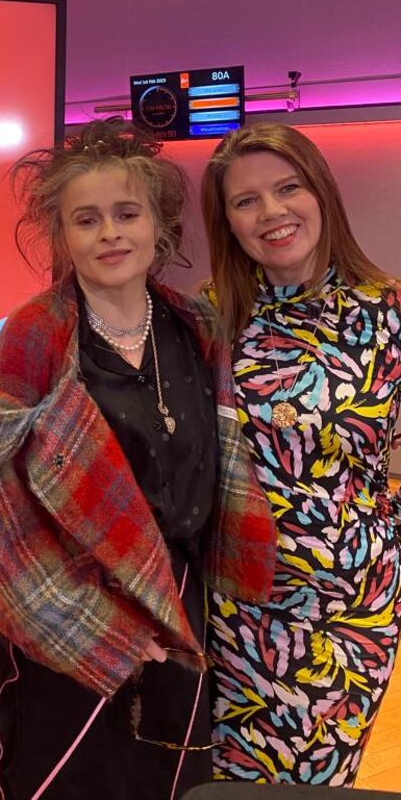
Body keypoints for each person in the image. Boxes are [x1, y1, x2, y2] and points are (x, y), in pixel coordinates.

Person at [0, 120, 276, 800]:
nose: (110, 235)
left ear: (161, 226)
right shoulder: (34, 338)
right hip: (61, 615)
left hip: (177, 600)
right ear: (62, 237)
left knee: (166, 776)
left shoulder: (196, 326)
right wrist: (101, 633)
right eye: (86, 220)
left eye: (127, 214)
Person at [200, 122, 401, 787]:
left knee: (316, 782)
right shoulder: (205, 321)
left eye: (289, 188)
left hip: (353, 610)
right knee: (226, 785)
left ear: (321, 191)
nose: (273, 212)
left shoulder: (389, 311)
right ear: (226, 222)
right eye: (246, 200)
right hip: (237, 610)